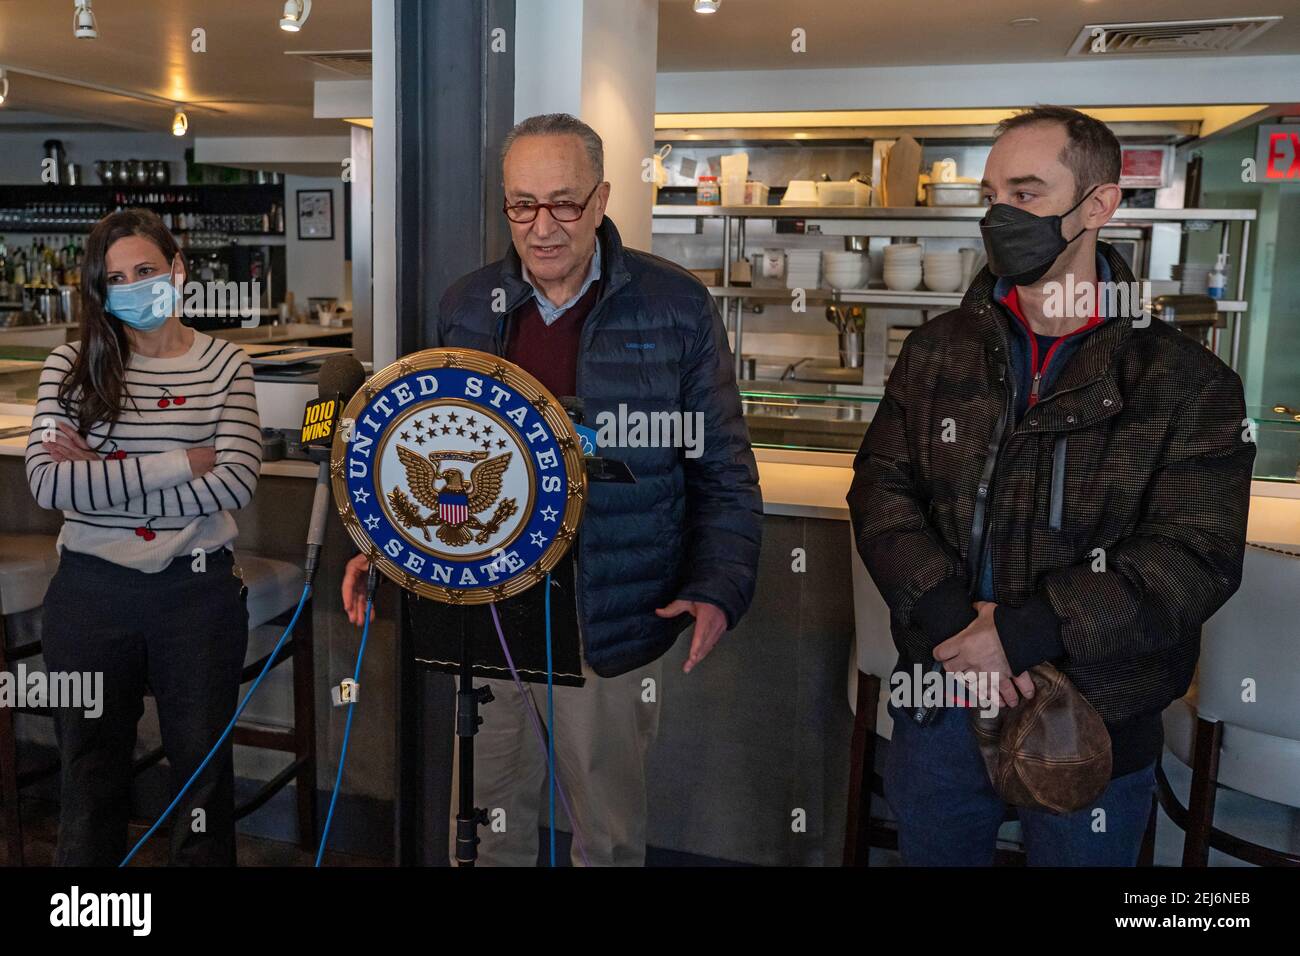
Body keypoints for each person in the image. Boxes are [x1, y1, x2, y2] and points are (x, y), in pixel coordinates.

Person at [342, 112, 762, 865]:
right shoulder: (468, 304)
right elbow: (432, 449)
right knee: (488, 828)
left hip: (607, 616)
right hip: (491, 612)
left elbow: (725, 465)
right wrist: (384, 546)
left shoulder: (675, 306)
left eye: (564, 203)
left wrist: (719, 582)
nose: (542, 227)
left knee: (604, 837)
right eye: (521, 204)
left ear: (602, 202)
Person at [848, 105, 1255, 866]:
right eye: (992, 195)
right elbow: (881, 493)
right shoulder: (937, 351)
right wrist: (951, 625)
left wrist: (1021, 634)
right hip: (941, 697)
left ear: (1098, 206)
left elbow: (1190, 557)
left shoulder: (1187, 382)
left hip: (1096, 715)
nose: (1001, 214)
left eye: (1027, 193)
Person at [25, 208, 262, 865]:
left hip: (196, 596)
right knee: (89, 777)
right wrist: (182, 461)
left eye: (147, 271)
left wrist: (99, 471)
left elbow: (237, 481)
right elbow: (48, 485)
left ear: (178, 268)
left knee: (201, 785)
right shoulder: (70, 365)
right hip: (89, 594)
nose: (133, 286)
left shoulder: (225, 364)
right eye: (116, 278)